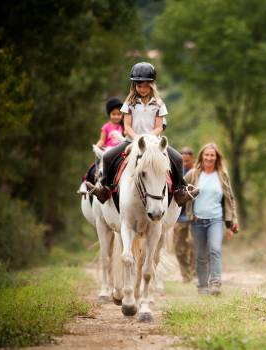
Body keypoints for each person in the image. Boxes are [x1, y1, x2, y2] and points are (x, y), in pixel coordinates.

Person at [86, 62, 198, 205]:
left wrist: (149, 138)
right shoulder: (129, 103)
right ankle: (104, 188)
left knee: (177, 158)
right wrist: (138, 138)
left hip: (154, 141)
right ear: (134, 86)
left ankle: (180, 190)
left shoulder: (158, 104)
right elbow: (126, 126)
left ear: (152, 84)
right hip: (131, 139)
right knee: (108, 156)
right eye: (139, 86)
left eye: (146, 85)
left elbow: (159, 127)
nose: (143, 89)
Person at [184, 143, 239, 296]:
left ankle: (215, 284)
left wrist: (232, 221)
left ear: (216, 158)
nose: (209, 158)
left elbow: (230, 199)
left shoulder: (222, 175)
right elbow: (181, 190)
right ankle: (202, 286)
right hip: (197, 221)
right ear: (201, 156)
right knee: (201, 255)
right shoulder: (193, 174)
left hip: (215, 219)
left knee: (215, 250)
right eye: (206, 155)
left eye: (212, 155)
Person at [173, 147, 196, 282]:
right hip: (179, 217)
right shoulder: (176, 173)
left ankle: (194, 274)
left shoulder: (196, 173)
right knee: (179, 248)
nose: (185, 163)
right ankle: (185, 275)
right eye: (183, 161)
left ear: (192, 159)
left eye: (187, 161)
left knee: (194, 246)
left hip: (194, 216)